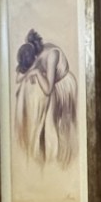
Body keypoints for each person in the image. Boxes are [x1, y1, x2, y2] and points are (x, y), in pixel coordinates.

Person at [12, 29, 79, 167]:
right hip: (50, 85)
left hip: (62, 87)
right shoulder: (30, 52)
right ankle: (41, 153)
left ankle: (59, 160)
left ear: (36, 58)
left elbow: (48, 89)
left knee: (56, 126)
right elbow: (18, 78)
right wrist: (29, 72)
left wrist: (36, 72)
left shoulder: (52, 55)